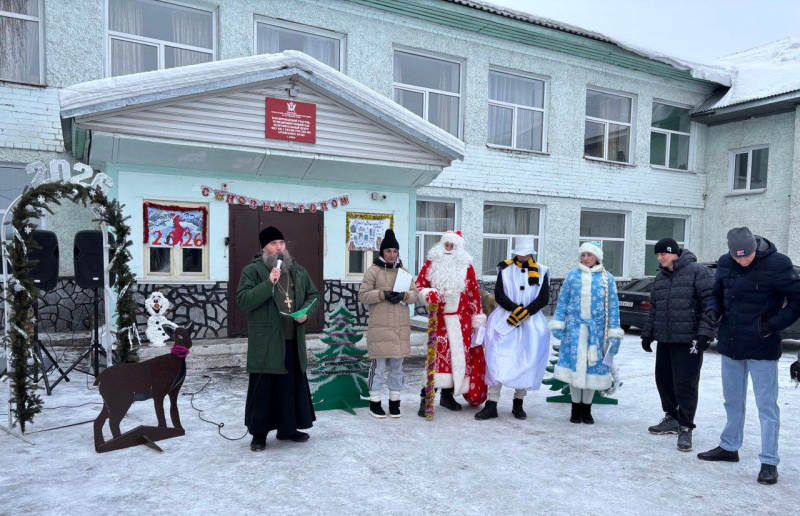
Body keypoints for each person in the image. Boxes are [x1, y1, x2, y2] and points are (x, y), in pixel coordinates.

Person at [697, 228, 800, 485]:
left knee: (767, 406)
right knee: (732, 400)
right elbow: (716, 294)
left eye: (747, 256)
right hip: (730, 343)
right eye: (738, 256)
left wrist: (771, 325)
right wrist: (713, 311)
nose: (743, 260)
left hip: (762, 346)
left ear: (755, 247)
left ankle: (769, 461)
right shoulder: (725, 262)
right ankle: (729, 446)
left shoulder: (778, 263)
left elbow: (797, 301)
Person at [236, 226, 320, 452]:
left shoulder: (297, 270)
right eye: (274, 244)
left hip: (292, 340)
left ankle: (288, 429)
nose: (279, 247)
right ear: (264, 248)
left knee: (289, 387)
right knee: (264, 390)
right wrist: (268, 283)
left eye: (282, 243)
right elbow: (243, 301)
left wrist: (306, 313)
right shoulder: (252, 271)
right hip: (266, 342)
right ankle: (259, 435)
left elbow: (313, 295)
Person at [640, 238, 715, 452]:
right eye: (657, 254)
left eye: (663, 253)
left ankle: (685, 426)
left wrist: (706, 333)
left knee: (685, 384)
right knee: (664, 381)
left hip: (689, 339)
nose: (660, 258)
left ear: (674, 253)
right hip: (665, 338)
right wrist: (648, 334)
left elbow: (710, 305)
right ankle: (672, 417)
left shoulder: (698, 272)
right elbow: (655, 309)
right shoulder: (661, 277)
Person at [549, 241, 624, 424]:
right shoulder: (572, 276)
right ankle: (575, 408)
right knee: (574, 368)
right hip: (574, 331)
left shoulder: (607, 279)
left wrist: (614, 333)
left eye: (589, 255)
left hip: (597, 333)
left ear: (596, 257)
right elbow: (563, 301)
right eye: (583, 255)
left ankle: (587, 409)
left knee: (592, 370)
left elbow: (613, 307)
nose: (585, 258)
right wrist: (558, 323)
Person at [477, 235, 550, 421]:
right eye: (520, 253)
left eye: (526, 253)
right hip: (505, 318)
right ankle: (492, 403)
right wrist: (514, 310)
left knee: (526, 361)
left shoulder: (542, 271)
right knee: (497, 359)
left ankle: (518, 403)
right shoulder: (505, 268)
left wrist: (526, 312)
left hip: (530, 323)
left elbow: (543, 298)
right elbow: (499, 294)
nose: (523, 256)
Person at [415, 230, 487, 416]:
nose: (448, 248)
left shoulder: (466, 266)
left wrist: (476, 319)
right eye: (446, 244)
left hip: (461, 322)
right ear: (441, 245)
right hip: (438, 320)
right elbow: (420, 284)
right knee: (436, 358)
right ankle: (426, 397)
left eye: (452, 245)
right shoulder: (432, 263)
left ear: (458, 248)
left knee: (458, 358)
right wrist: (427, 294)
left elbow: (473, 293)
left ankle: (447, 396)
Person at [358, 229, 419, 419]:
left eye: (395, 251)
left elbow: (415, 295)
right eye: (388, 251)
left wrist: (404, 296)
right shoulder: (373, 271)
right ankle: (374, 402)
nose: (392, 255)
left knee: (397, 368)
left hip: (400, 329)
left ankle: (395, 402)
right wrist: (382, 294)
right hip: (380, 328)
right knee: (378, 368)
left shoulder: (404, 272)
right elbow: (362, 296)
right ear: (382, 252)